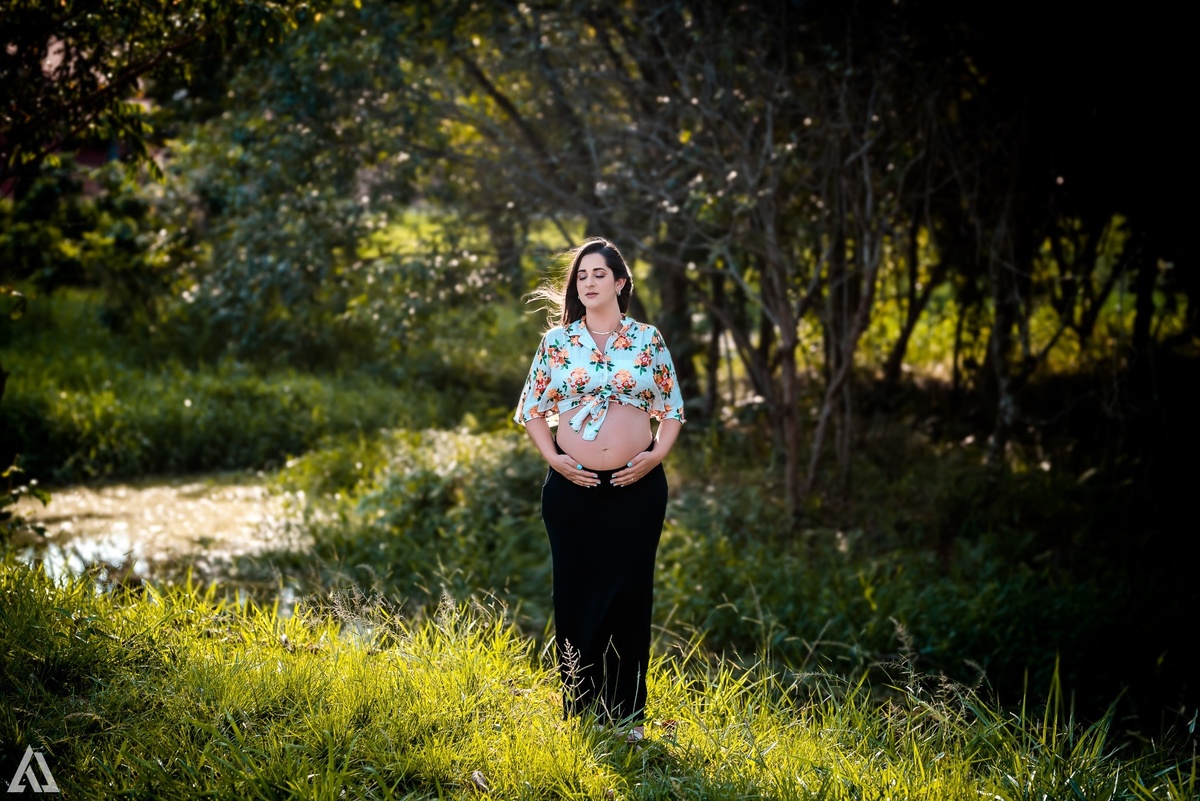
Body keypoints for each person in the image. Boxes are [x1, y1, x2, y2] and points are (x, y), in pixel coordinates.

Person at [514, 237, 685, 743]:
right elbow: (532, 411)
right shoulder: (558, 344)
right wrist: (556, 460)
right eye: (581, 276)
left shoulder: (647, 341)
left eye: (598, 274)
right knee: (575, 596)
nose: (588, 282)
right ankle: (580, 715)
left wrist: (654, 456)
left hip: (638, 490)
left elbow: (672, 409)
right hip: (572, 492)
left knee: (630, 596)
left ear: (620, 282)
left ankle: (626, 717)